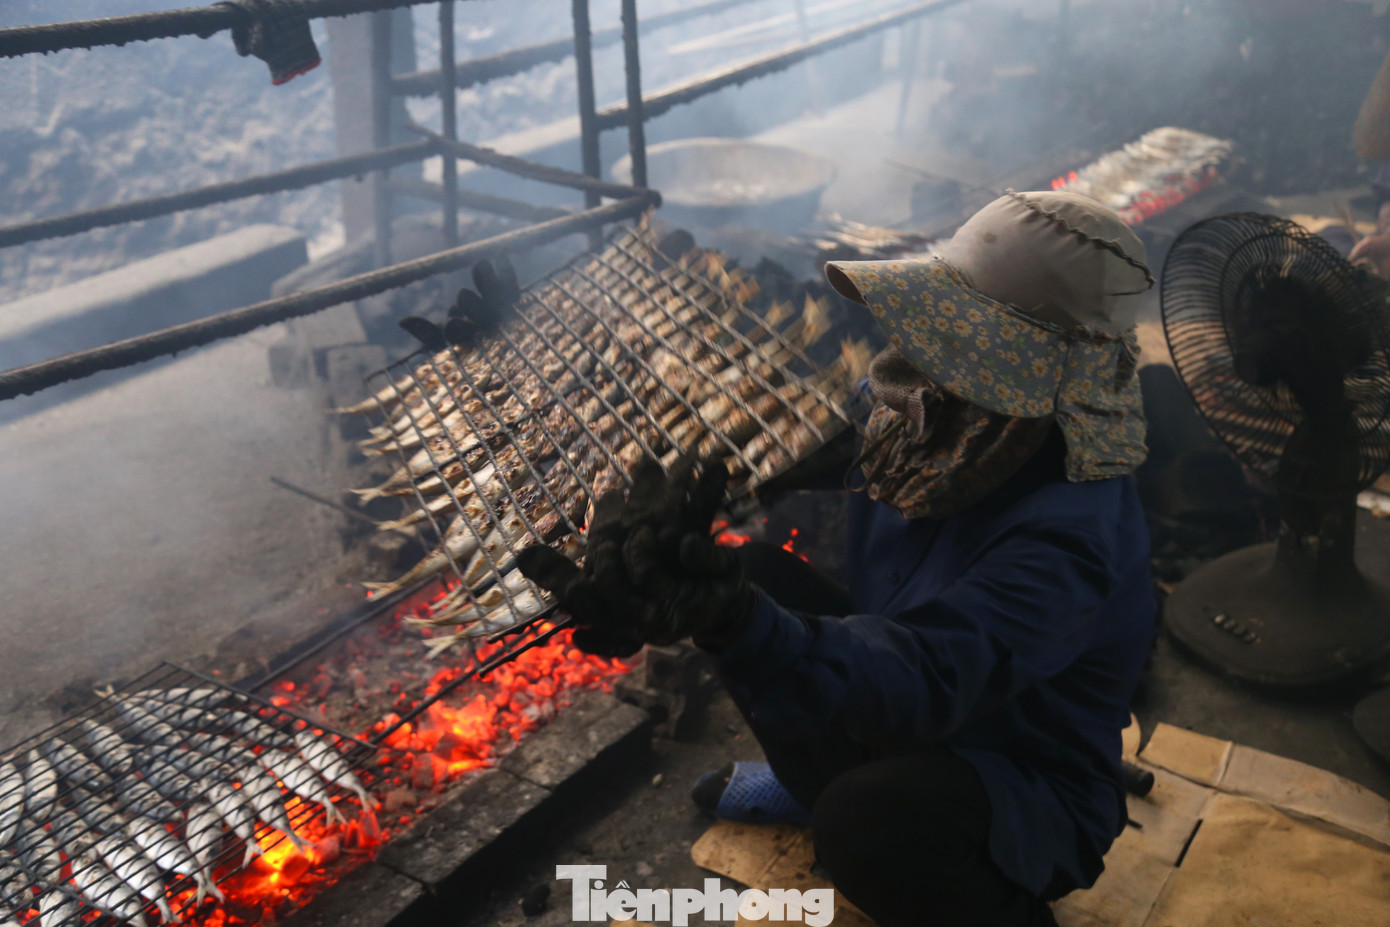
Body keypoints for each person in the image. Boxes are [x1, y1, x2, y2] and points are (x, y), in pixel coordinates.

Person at [518, 191, 1157, 927]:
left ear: (1026, 363)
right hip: (912, 698)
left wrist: (733, 621)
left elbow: (928, 674)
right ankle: (817, 780)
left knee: (865, 820)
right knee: (751, 571)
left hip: (1017, 773)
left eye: (957, 334)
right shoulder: (962, 414)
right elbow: (834, 429)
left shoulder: (1070, 534)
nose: (924, 350)